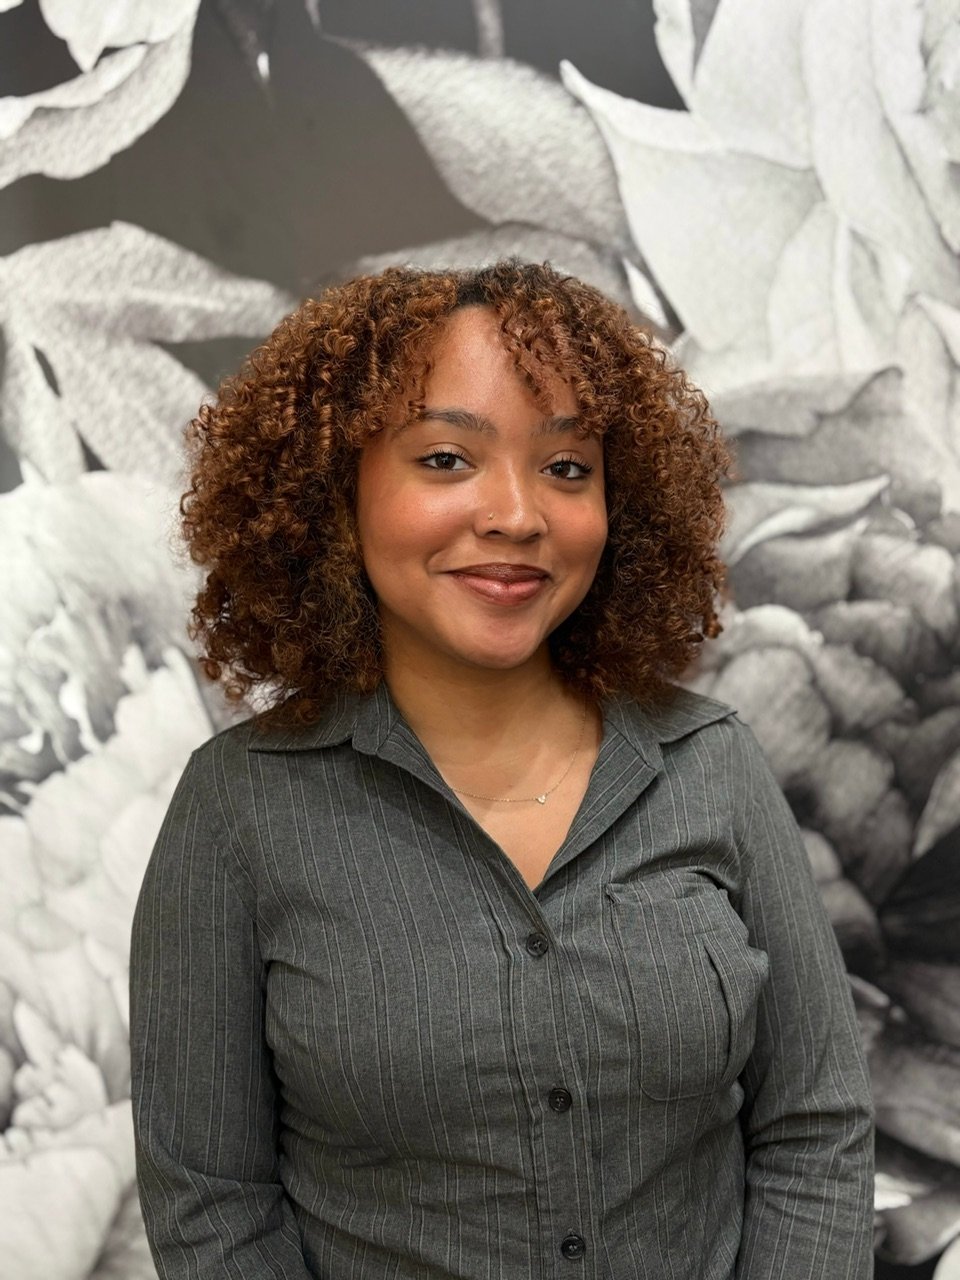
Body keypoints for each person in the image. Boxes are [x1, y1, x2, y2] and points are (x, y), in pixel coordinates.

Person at [129, 261, 874, 1279]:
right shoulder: (239, 809)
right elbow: (214, 1204)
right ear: (335, 498)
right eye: (447, 457)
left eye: (568, 467)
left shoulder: (713, 764)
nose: (518, 513)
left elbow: (816, 1131)